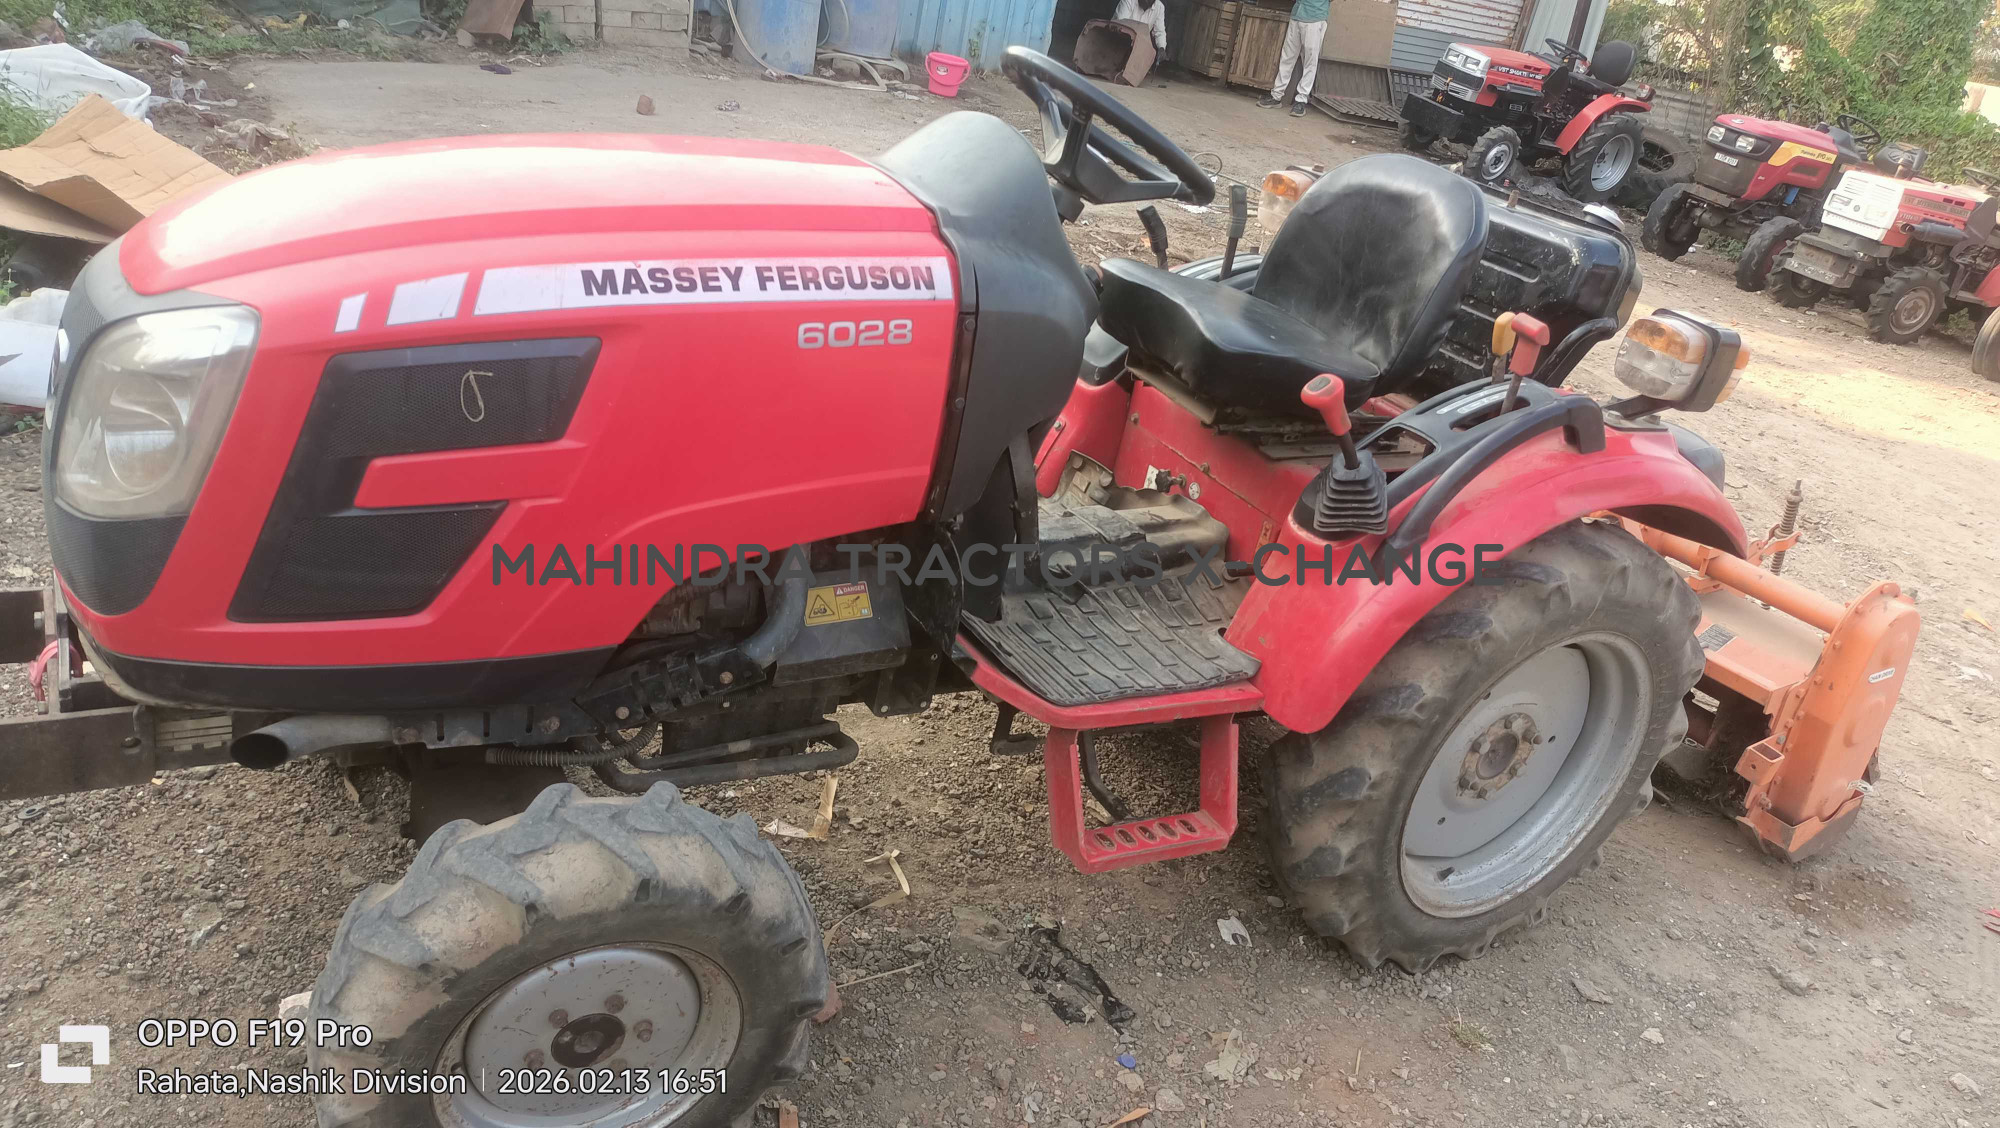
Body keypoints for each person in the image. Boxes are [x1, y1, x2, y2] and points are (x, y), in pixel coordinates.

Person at [1258, 0, 1329, 117]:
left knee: (1310, 61)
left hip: (1315, 17)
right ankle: (1276, 96)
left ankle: (1301, 100)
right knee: (1287, 57)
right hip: (1297, 14)